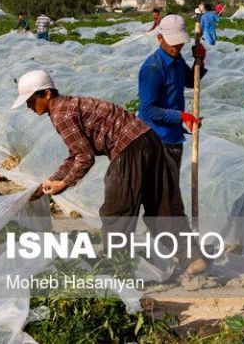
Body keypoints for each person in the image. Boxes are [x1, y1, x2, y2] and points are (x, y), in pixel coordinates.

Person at [13, 70, 206, 275]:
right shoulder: (69, 105)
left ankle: (117, 268)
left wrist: (65, 183)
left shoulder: (61, 114)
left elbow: (85, 157)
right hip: (149, 139)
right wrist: (52, 181)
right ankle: (192, 257)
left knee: (116, 212)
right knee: (162, 207)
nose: (29, 106)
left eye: (31, 100)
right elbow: (76, 153)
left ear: (47, 94)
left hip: (128, 148)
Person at [138, 14, 207, 168]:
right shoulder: (152, 69)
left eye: (180, 43)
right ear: (160, 38)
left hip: (172, 136)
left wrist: (200, 61)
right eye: (173, 43)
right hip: (154, 139)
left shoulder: (178, 61)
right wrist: (182, 116)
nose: (176, 47)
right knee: (159, 189)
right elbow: (147, 110)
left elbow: (190, 82)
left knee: (170, 186)